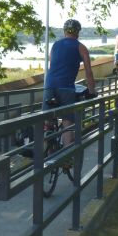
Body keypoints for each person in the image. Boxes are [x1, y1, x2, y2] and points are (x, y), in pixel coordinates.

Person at [42, 18, 96, 147]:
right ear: (78, 32)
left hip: (49, 86)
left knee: (47, 119)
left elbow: (52, 65)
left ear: (64, 31)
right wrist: (92, 91)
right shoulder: (81, 47)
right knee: (68, 122)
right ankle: (67, 153)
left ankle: (47, 147)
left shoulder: (55, 45)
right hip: (66, 88)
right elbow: (89, 72)